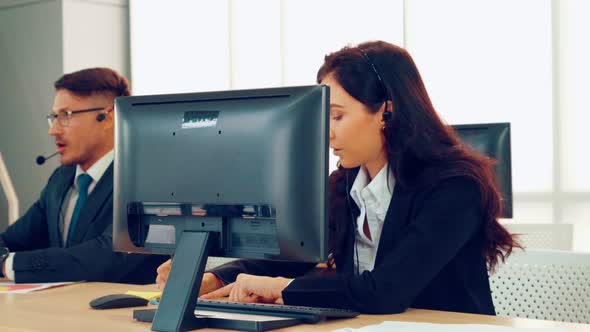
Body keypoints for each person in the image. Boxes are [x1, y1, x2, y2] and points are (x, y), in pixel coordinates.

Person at [155, 41, 520, 314]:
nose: (326, 132)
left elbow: (385, 292)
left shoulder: (454, 188)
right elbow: (296, 253)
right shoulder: (345, 184)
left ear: (385, 112)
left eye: (338, 116)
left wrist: (282, 290)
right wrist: (220, 276)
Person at [0, 67, 166, 283]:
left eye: (66, 116)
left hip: (120, 313)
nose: (54, 130)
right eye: (54, 117)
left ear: (107, 117)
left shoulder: (149, 178)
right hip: (65, 308)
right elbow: (14, 239)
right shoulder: (61, 179)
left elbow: (106, 257)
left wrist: (8, 264)